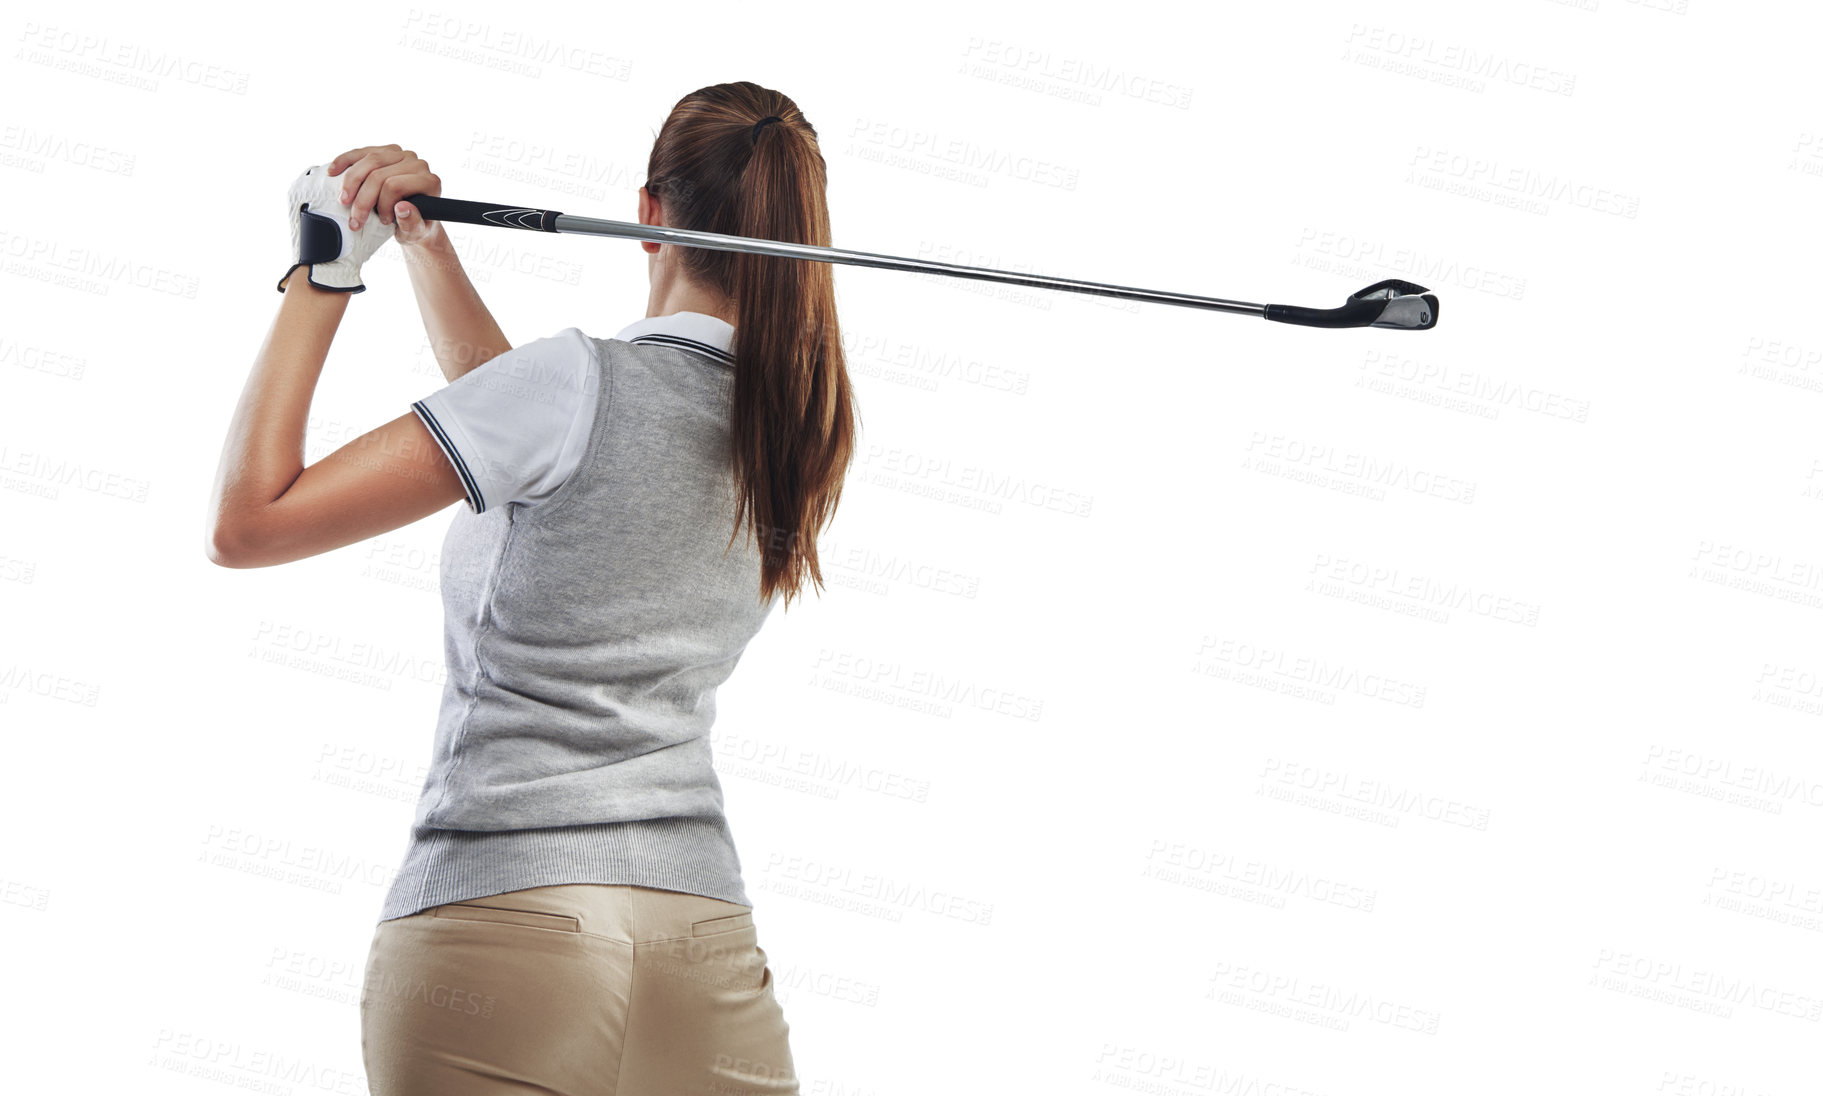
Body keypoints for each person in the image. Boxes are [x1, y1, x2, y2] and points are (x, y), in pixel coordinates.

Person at [205, 81, 856, 1095]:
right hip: (701, 943)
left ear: (650, 215)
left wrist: (322, 272)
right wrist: (427, 247)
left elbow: (249, 523)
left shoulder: (572, 386)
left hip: (503, 925)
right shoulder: (795, 437)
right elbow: (539, 458)